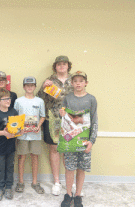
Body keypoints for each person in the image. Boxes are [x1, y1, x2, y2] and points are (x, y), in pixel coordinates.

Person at [59, 71, 98, 207]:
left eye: (81, 81)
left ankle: (78, 195)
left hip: (84, 140)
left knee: (81, 168)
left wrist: (91, 141)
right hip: (70, 139)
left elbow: (94, 120)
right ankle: (68, 194)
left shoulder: (91, 99)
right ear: (71, 83)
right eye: (75, 81)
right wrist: (62, 114)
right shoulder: (68, 98)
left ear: (86, 83)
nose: (78, 83)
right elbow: (63, 119)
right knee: (69, 167)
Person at [37, 55, 73, 195]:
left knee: (69, 150)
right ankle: (57, 182)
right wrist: (43, 87)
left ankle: (71, 182)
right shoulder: (50, 81)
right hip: (52, 120)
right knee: (54, 149)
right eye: (59, 64)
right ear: (55, 66)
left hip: (71, 120)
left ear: (68, 66)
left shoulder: (74, 80)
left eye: (64, 64)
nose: (62, 66)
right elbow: (39, 99)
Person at [14, 76, 46, 194]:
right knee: (21, 157)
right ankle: (21, 182)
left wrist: (39, 125)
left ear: (35, 87)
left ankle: (34, 182)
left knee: (35, 157)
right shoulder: (18, 101)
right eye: (27, 85)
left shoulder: (39, 101)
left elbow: (43, 116)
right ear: (24, 87)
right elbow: (15, 117)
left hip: (35, 135)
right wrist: (19, 128)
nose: (29, 87)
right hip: (22, 135)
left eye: (32, 85)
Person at [0, 88, 19, 201]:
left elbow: (18, 128)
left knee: (10, 167)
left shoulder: (14, 112)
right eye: (5, 99)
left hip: (11, 146)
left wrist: (19, 132)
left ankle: (8, 188)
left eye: (9, 98)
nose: (8, 101)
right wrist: (4, 133)